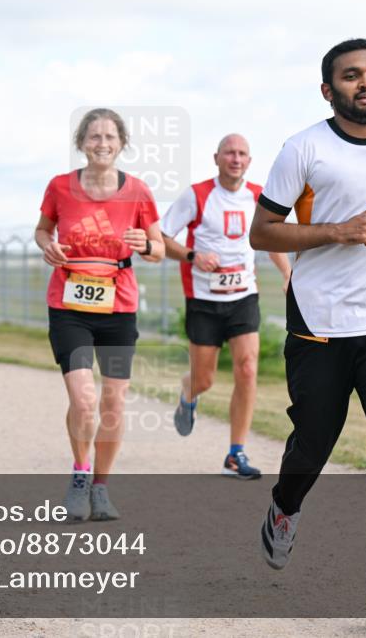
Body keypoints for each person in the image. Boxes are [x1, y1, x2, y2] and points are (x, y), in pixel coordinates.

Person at [249, 38, 366, 636]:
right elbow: (263, 232)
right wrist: (333, 231)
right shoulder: (303, 149)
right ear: (328, 88)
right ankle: (284, 508)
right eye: (352, 75)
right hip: (319, 326)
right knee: (313, 444)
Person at [35, 108, 164, 521]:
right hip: (69, 305)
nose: (102, 143)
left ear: (122, 143)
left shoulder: (139, 192)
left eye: (110, 136)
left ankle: (102, 488)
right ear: (81, 143)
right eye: (94, 137)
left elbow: (159, 250)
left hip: (118, 306)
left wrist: (145, 242)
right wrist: (46, 245)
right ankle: (79, 474)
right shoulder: (60, 187)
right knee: (84, 399)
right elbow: (42, 229)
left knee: (112, 402)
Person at [160, 134, 291, 479]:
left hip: (243, 297)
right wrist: (192, 255)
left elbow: (271, 239)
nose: (236, 158)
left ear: (249, 161)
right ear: (216, 158)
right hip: (204, 300)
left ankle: (236, 454)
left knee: (247, 369)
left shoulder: (258, 195)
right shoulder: (197, 195)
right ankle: (188, 395)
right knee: (204, 379)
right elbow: (162, 236)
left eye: (242, 154)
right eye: (229, 153)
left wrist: (287, 273)